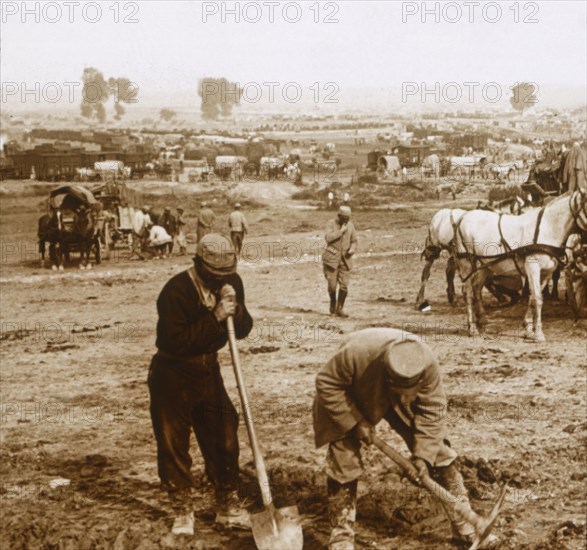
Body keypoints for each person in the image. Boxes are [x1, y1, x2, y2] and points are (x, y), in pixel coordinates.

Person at [314, 328, 497, 550]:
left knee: (439, 452)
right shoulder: (356, 354)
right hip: (352, 391)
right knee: (344, 459)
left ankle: (465, 525)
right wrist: (354, 421)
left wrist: (423, 458)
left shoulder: (425, 363)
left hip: (399, 392)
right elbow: (326, 383)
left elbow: (433, 410)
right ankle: (341, 537)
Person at [148, 234, 254, 536]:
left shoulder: (232, 281)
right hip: (172, 373)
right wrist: (216, 316)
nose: (221, 279)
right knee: (173, 444)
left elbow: (243, 329)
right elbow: (175, 341)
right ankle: (182, 509)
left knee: (224, 434)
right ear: (199, 264)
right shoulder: (175, 291)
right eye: (215, 275)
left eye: (226, 274)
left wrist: (237, 308)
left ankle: (227, 505)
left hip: (208, 370)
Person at [322, 206, 357, 317]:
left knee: (344, 286)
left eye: (348, 218)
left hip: (345, 260)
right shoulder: (331, 224)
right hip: (331, 260)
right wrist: (340, 231)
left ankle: (339, 309)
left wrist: (352, 249)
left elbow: (354, 241)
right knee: (332, 286)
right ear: (339, 216)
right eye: (344, 218)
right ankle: (333, 302)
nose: (346, 220)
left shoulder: (351, 226)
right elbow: (328, 238)